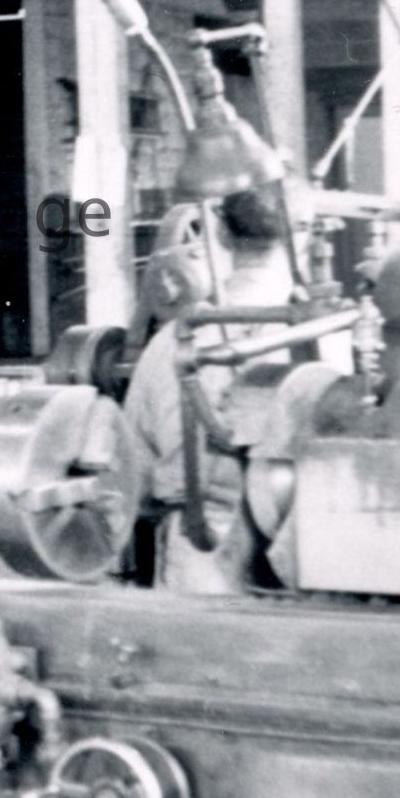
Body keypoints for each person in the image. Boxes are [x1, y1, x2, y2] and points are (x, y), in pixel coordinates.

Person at [114, 187, 294, 595]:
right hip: (299, 543)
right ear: (299, 234)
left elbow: (133, 468)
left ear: (223, 236)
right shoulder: (327, 332)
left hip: (200, 544)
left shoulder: (169, 342)